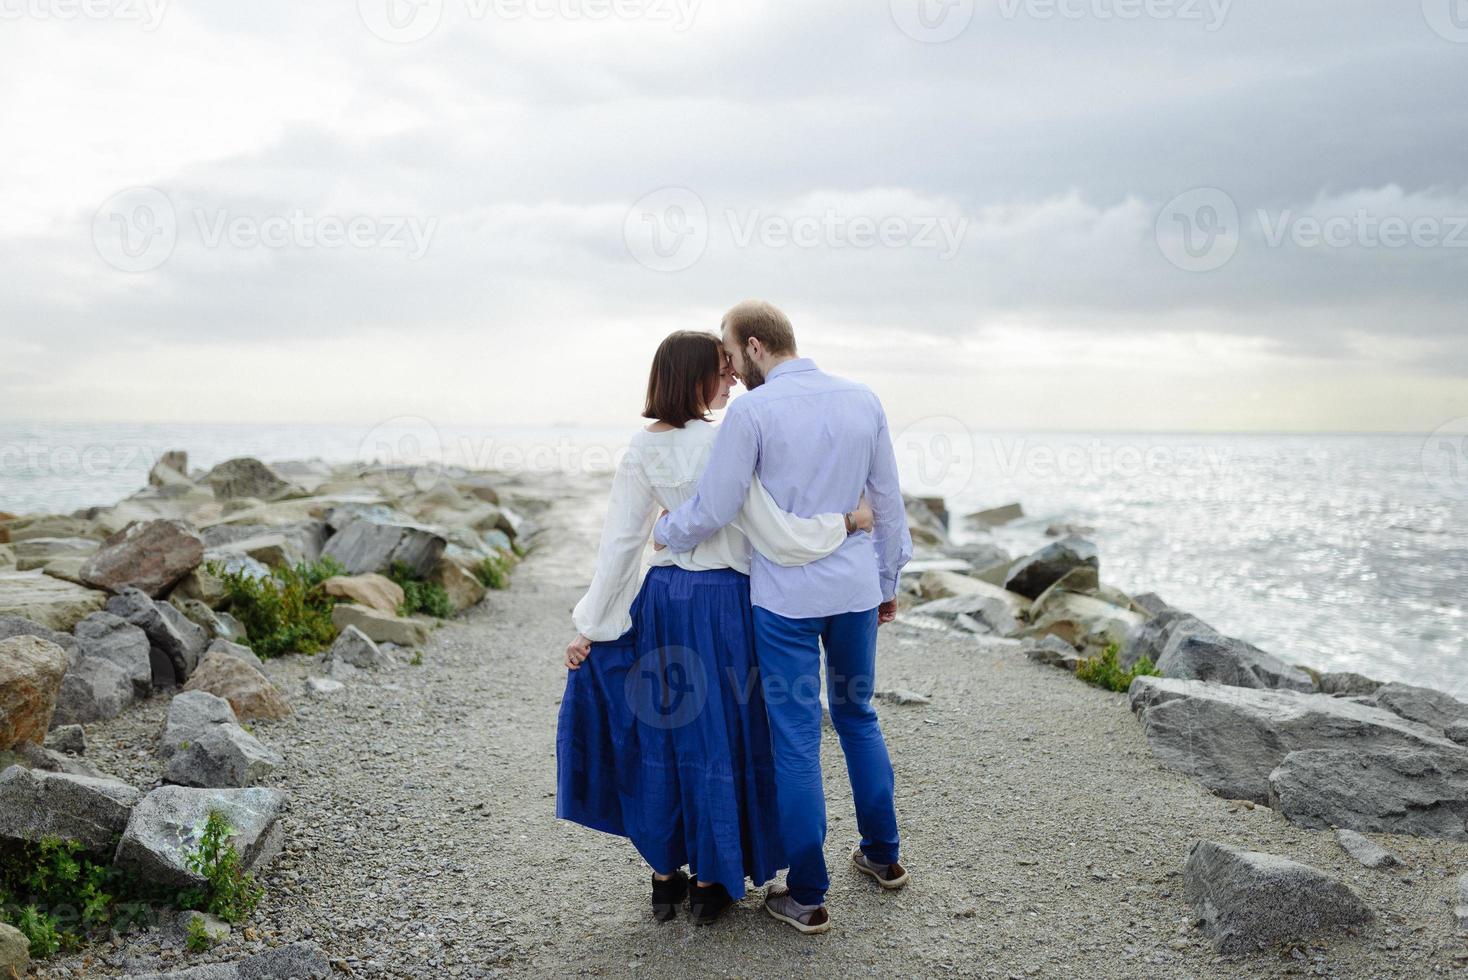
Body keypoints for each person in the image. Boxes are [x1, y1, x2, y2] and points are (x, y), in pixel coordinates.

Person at [556, 329, 873, 925]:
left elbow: (621, 545)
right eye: (722, 371)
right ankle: (710, 881)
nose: (732, 379)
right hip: (725, 603)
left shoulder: (640, 448)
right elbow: (774, 530)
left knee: (666, 733)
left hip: (664, 598)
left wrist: (592, 626)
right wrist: (847, 524)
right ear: (697, 378)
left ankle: (663, 878)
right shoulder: (727, 439)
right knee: (721, 737)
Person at [654, 300, 913, 935]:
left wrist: (667, 530)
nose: (731, 371)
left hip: (787, 604)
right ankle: (884, 857)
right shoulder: (863, 398)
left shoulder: (753, 411)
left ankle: (808, 895)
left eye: (731, 352)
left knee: (796, 740)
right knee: (857, 716)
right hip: (853, 589)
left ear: (756, 345)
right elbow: (887, 499)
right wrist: (887, 578)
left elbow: (714, 504)